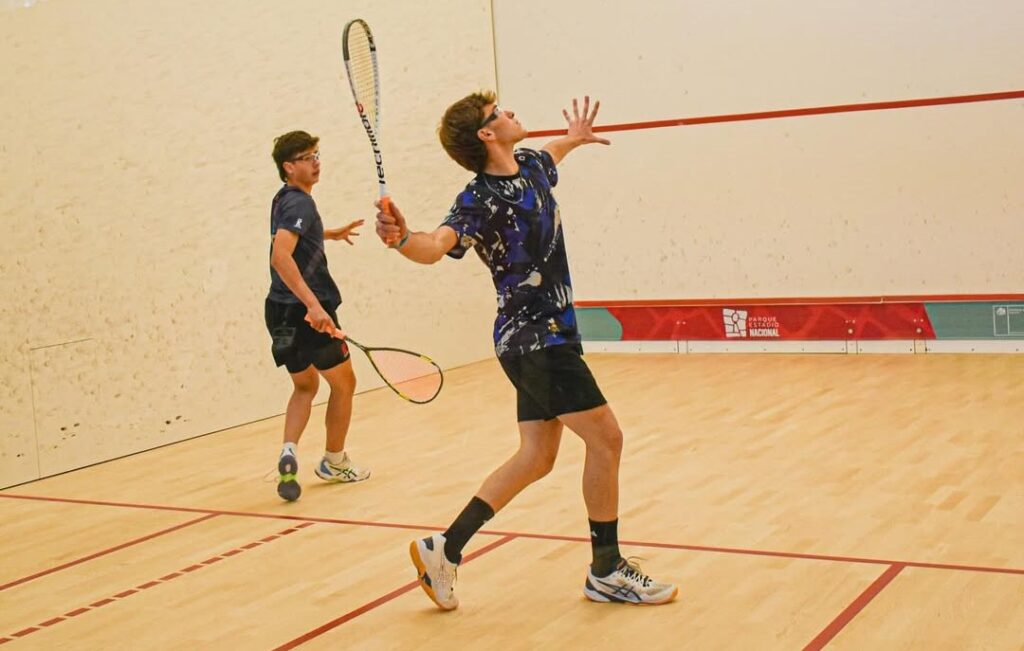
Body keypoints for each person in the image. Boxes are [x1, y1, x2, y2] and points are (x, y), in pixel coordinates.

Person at [374, 94, 677, 607]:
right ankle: (607, 569)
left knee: (537, 456)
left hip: (551, 332)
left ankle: (444, 547)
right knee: (607, 440)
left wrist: (574, 140)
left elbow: (552, 153)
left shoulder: (533, 163)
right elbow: (436, 245)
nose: (510, 113)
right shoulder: (478, 199)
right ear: (487, 135)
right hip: (534, 339)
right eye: (499, 113)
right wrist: (402, 239)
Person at [266, 130, 370, 502]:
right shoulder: (301, 205)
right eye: (307, 157)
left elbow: (290, 237)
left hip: (277, 311)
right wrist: (313, 305)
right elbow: (281, 257)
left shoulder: (285, 200)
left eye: (317, 154)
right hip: (304, 311)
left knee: (305, 386)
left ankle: (288, 450)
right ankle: (334, 460)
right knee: (344, 384)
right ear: (288, 167)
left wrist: (325, 234)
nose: (316, 161)